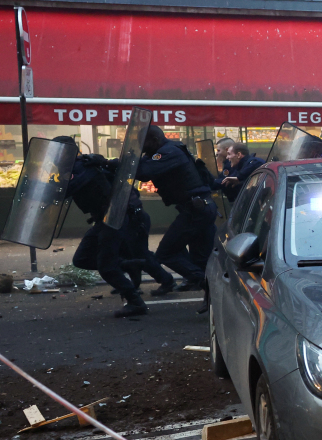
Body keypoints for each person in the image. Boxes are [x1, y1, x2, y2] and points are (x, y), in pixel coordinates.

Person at [66, 144, 172, 316]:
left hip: (118, 218)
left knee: (108, 264)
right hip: (106, 219)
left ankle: (136, 301)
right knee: (82, 259)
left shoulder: (82, 167)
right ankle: (128, 265)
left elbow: (70, 188)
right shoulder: (84, 165)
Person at [137, 125, 217, 293]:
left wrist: (121, 164)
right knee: (199, 260)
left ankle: (205, 285)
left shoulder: (168, 152)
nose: (141, 147)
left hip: (197, 210)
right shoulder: (166, 150)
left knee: (165, 253)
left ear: (155, 140)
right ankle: (207, 293)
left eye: (143, 143)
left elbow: (143, 172)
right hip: (199, 209)